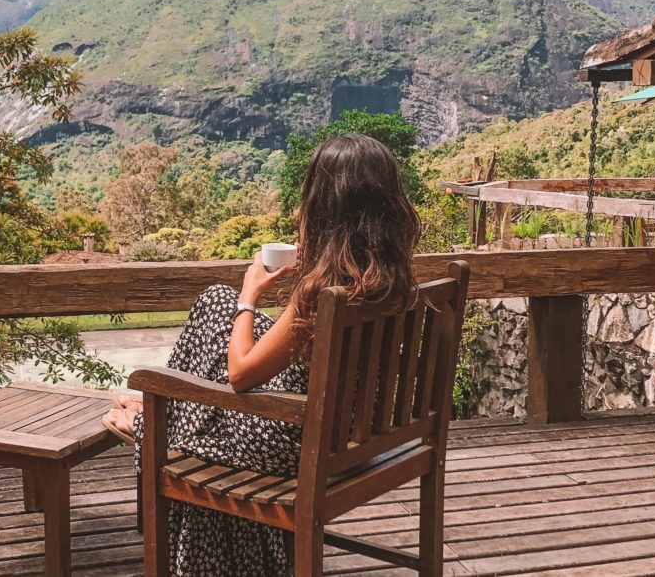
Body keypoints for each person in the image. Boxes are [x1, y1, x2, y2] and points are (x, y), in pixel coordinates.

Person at [103, 133, 421, 576]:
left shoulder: (322, 294)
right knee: (217, 300)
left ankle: (155, 420)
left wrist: (249, 296)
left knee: (225, 305)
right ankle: (169, 411)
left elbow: (241, 375)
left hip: (296, 443)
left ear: (323, 206)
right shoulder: (395, 284)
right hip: (355, 436)